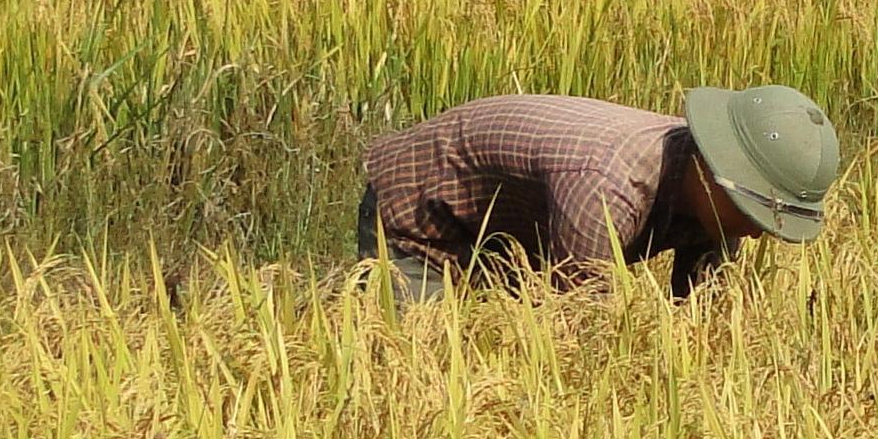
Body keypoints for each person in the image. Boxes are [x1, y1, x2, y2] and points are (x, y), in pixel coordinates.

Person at [356, 87, 842, 300]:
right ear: (714, 174)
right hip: (426, 212)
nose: (757, 233)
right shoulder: (606, 187)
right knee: (423, 354)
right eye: (754, 212)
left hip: (517, 225)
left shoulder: (715, 199)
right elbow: (583, 331)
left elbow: (701, 318)